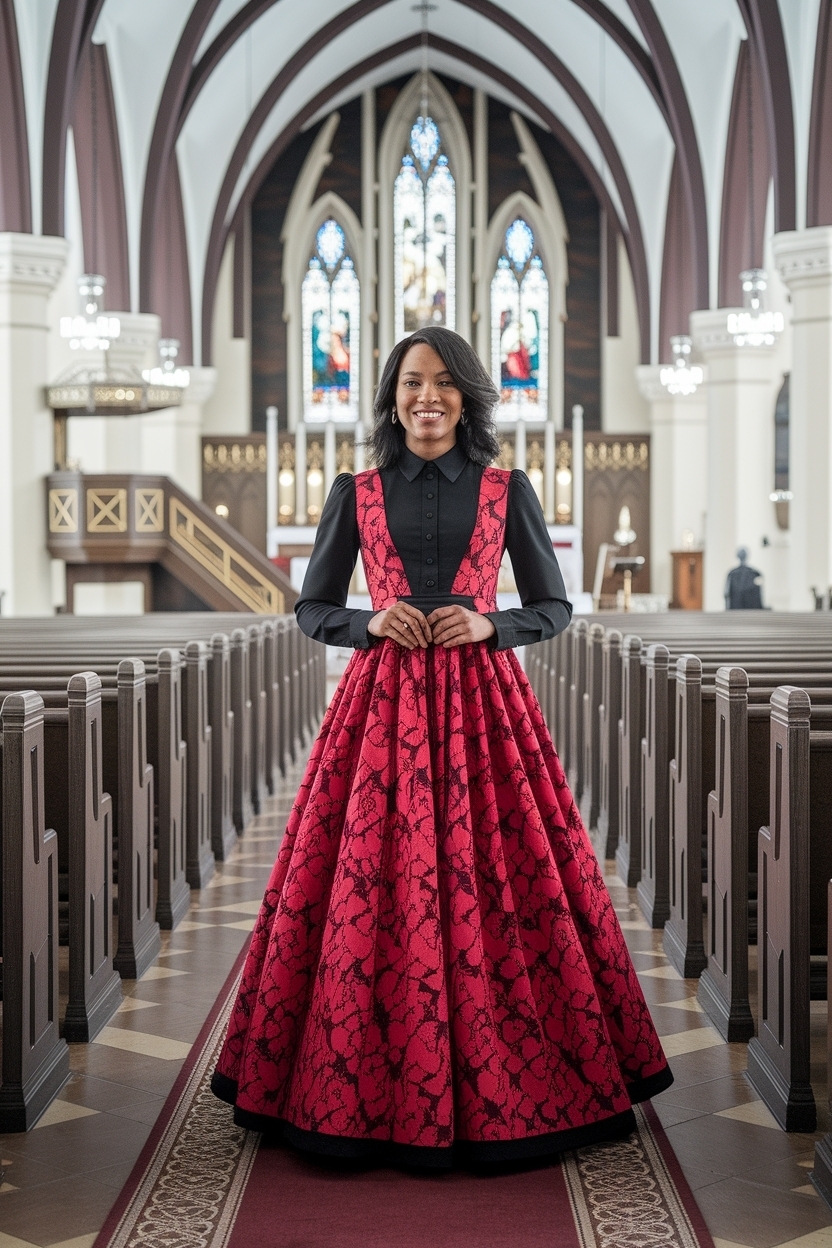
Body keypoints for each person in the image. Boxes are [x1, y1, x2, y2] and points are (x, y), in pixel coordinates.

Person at [211, 326, 672, 1167]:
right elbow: (312, 607)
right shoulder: (356, 491)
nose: (428, 397)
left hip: (483, 707)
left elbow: (554, 605)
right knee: (365, 876)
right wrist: (368, 620)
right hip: (380, 707)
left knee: (494, 873)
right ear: (391, 396)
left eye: (444, 384)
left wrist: (492, 623)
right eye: (412, 383)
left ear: (467, 396)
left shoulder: (507, 488)